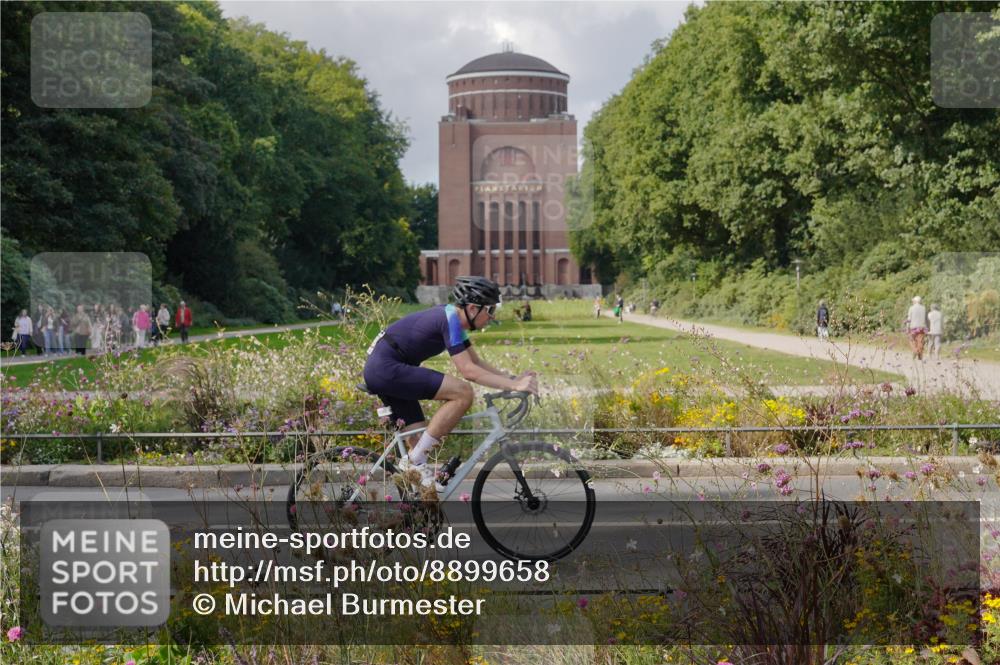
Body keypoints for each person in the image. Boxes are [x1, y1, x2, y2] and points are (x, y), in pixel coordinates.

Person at [361, 276, 537, 491]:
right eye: (490, 310)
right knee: (463, 392)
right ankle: (413, 462)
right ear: (473, 308)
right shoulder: (450, 319)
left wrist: (513, 379)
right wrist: (515, 387)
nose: (493, 317)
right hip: (386, 369)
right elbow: (469, 371)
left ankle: (416, 510)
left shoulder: (452, 318)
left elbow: (476, 362)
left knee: (419, 443)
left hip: (388, 369)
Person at [906, 296, 928, 361]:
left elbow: (909, 319)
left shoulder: (911, 308)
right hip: (922, 327)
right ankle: (920, 356)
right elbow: (926, 319)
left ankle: (915, 351)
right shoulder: (924, 308)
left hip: (913, 327)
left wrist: (907, 327)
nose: (912, 302)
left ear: (915, 301)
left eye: (913, 301)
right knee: (920, 341)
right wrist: (927, 327)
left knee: (912, 340)